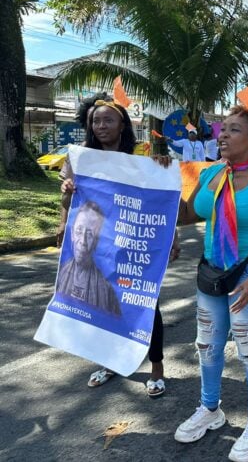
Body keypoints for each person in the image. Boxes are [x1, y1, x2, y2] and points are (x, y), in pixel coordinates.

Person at [174, 106, 248, 462]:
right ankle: (211, 410)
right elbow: (188, 214)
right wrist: (162, 185)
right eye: (222, 130)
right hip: (212, 271)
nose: (222, 135)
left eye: (233, 130)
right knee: (207, 345)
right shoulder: (210, 175)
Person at [59, 97, 179, 396]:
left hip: (131, 242)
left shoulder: (144, 161)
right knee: (99, 304)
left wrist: (171, 237)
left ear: (122, 124)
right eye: (95, 121)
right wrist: (64, 206)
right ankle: (108, 362)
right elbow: (68, 204)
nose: (101, 126)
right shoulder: (79, 160)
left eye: (107, 120)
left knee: (145, 303)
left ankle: (157, 368)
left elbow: (161, 202)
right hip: (98, 245)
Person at [56, 201, 121, 316]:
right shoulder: (62, 272)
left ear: (96, 241)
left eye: (90, 234)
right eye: (79, 231)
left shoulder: (105, 292)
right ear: (72, 234)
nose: (83, 241)